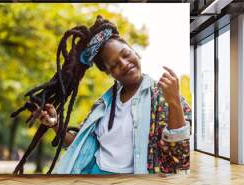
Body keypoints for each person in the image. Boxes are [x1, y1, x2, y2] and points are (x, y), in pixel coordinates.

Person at [30, 15, 191, 174]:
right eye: (114, 65)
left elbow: (180, 158)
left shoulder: (163, 97)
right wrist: (55, 125)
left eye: (126, 54)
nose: (125, 64)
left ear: (135, 51)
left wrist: (174, 102)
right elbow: (80, 147)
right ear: (109, 73)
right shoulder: (102, 105)